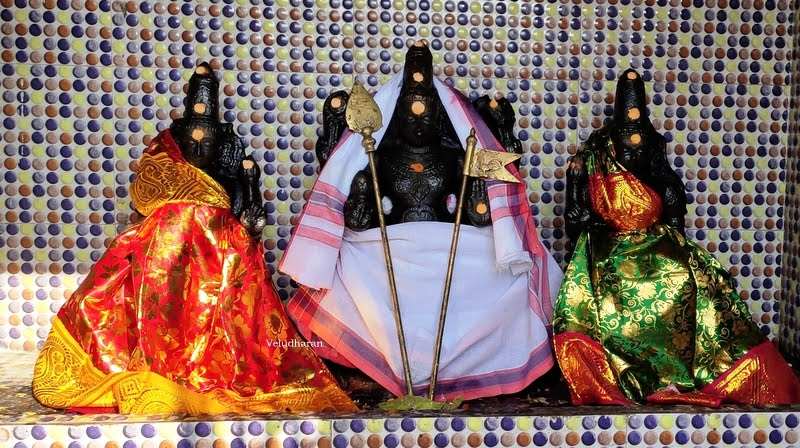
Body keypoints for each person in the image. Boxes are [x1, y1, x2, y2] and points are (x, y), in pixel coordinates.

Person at [31, 63, 356, 414]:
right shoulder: (166, 175)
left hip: (219, 260)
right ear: (177, 142)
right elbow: (141, 216)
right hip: (166, 264)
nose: (199, 148)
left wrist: (249, 202)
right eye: (192, 141)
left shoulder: (227, 176)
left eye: (208, 142)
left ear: (221, 145)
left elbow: (247, 222)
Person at [279, 43, 563, 401]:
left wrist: (477, 188)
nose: (417, 123)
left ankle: (479, 369)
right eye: (410, 116)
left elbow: (479, 215)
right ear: (397, 116)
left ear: (439, 117)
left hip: (447, 236)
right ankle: (367, 368)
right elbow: (360, 219)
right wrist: (362, 193)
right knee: (347, 259)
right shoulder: (381, 157)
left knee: (502, 264)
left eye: (426, 116)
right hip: (394, 237)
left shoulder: (454, 157)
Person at [553, 68, 800, 406]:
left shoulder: (658, 163)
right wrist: (578, 192)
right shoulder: (597, 157)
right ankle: (626, 371)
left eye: (640, 150)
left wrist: (679, 242)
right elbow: (575, 220)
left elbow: (671, 208)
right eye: (626, 151)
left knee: (689, 274)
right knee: (604, 279)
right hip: (608, 243)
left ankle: (682, 371)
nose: (633, 157)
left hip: (656, 241)